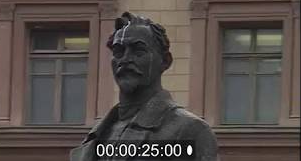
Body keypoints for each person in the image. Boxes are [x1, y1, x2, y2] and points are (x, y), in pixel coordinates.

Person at [70, 12, 218, 161]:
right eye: (118, 51)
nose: (125, 59)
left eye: (138, 51)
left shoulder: (190, 130)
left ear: (165, 61)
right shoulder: (97, 135)